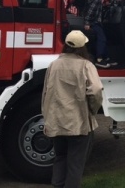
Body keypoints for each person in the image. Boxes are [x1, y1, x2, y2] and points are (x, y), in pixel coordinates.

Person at [42, 30, 103, 188]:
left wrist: (47, 116)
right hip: (78, 123)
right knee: (75, 164)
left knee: (60, 158)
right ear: (83, 47)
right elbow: (96, 90)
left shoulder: (53, 65)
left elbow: (45, 93)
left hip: (56, 121)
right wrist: (93, 110)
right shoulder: (86, 65)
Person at [84, 0, 117, 68]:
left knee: (103, 39)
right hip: (94, 23)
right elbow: (91, 11)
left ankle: (105, 57)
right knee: (102, 39)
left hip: (95, 22)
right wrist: (87, 23)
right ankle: (99, 59)